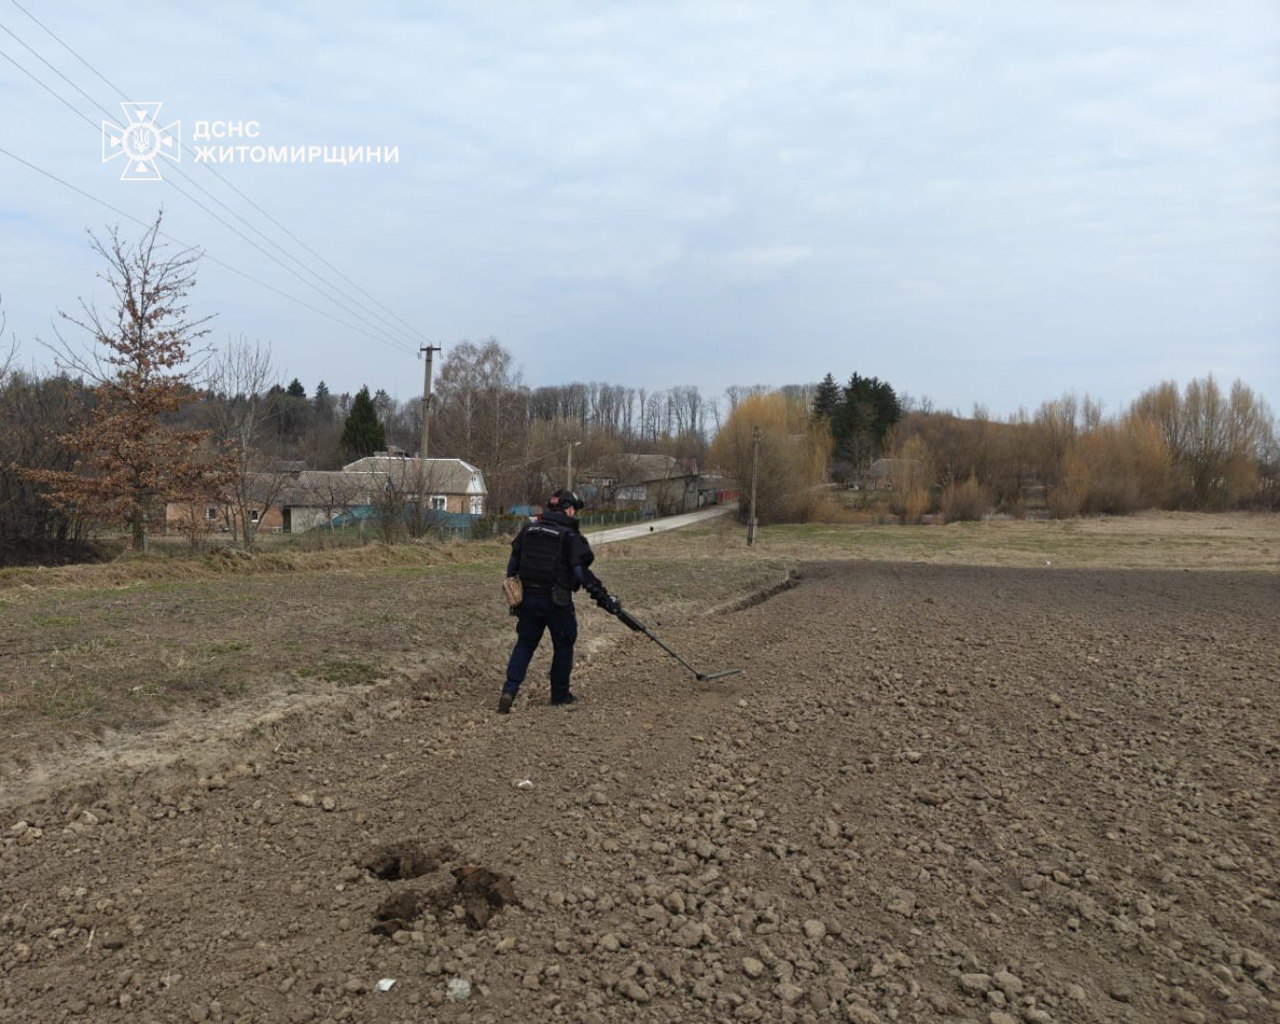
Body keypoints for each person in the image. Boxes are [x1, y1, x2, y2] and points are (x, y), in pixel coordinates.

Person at [498, 489, 619, 713]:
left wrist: (515, 598)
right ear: (568, 509)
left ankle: (509, 690)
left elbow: (512, 566)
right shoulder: (569, 536)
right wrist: (602, 596)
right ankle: (560, 694)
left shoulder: (528, 530)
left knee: (525, 644)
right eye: (575, 509)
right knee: (563, 644)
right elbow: (580, 572)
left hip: (528, 601)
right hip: (557, 600)